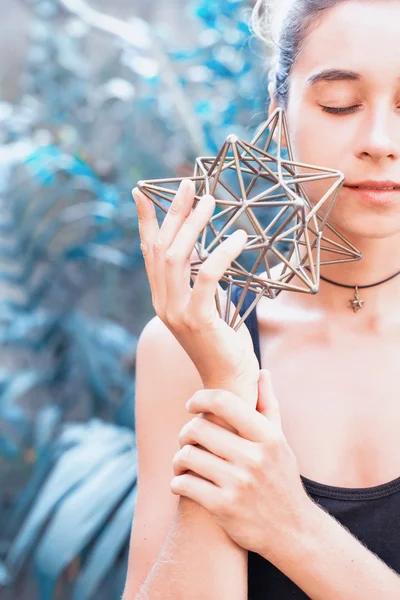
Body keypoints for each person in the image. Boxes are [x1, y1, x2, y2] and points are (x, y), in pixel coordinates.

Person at [123, 1, 400, 598]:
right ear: (280, 114)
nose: (380, 140)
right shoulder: (191, 345)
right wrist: (226, 385)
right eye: (340, 104)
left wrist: (288, 526)